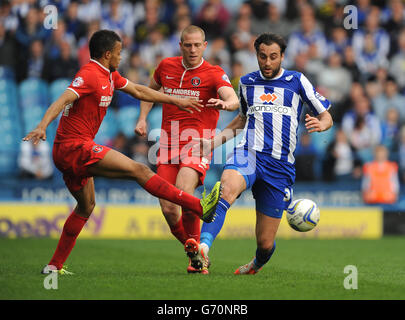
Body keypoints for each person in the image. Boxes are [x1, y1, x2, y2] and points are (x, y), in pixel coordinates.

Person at [22, 29, 222, 275]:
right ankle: (200, 206)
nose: (121, 56)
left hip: (70, 153)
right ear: (107, 54)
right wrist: (42, 125)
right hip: (74, 147)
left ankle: (53, 266)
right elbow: (62, 99)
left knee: (86, 207)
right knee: (138, 169)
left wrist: (176, 101)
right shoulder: (89, 74)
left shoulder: (110, 75)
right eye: (119, 52)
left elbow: (139, 91)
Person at [189, 33, 333, 274]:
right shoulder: (246, 82)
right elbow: (241, 121)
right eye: (263, 57)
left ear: (282, 57)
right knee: (226, 189)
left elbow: (326, 113)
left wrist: (322, 124)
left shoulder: (297, 81)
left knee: (265, 243)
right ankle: (202, 248)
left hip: (280, 167)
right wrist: (212, 143)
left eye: (273, 57)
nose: (267, 62)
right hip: (249, 153)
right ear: (256, 55)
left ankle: (256, 264)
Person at [135, 25, 239, 274]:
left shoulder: (214, 73)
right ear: (180, 45)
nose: (192, 49)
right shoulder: (165, 67)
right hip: (168, 144)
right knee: (169, 208)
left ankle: (203, 209)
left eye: (197, 45)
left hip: (198, 143)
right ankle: (194, 252)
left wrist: (226, 103)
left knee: (183, 190)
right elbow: (149, 92)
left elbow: (233, 98)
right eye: (188, 45)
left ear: (205, 46)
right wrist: (142, 118)